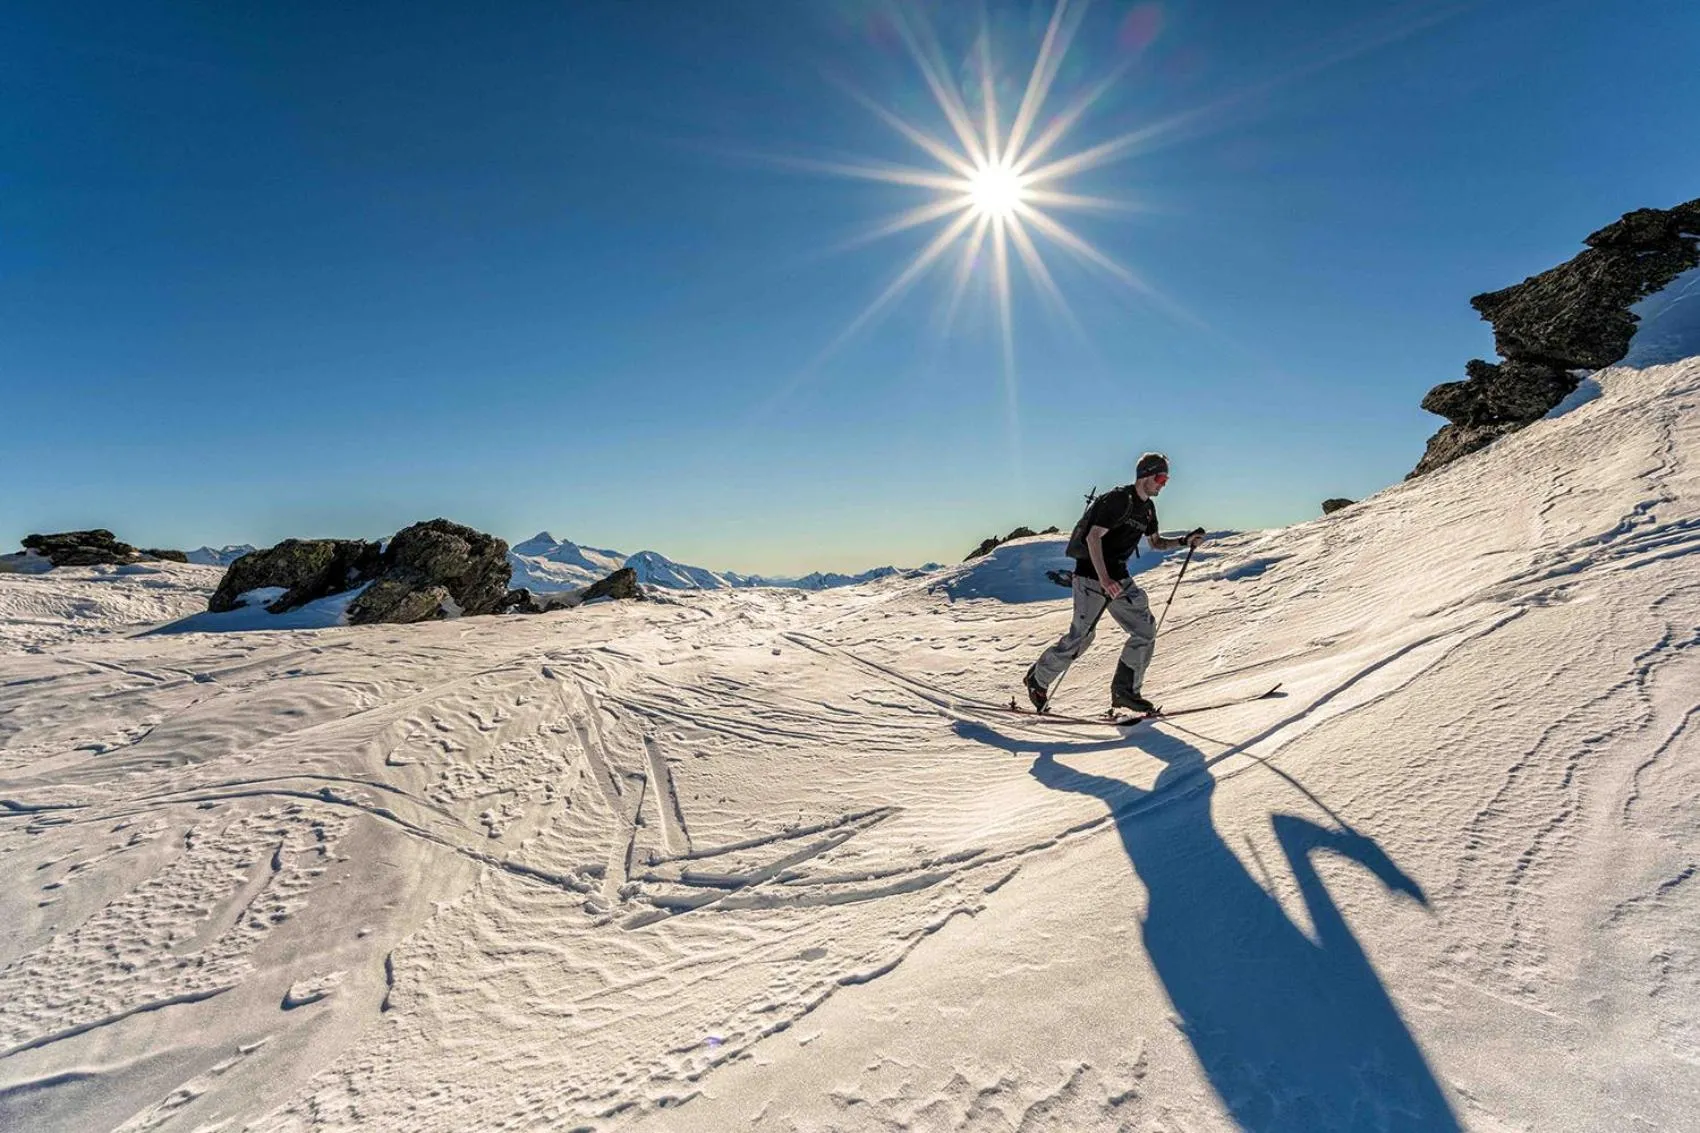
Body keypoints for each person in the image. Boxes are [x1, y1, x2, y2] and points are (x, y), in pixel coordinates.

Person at [1024, 452, 1205, 716]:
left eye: (1166, 479)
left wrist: (1184, 541)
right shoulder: (1119, 499)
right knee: (1082, 637)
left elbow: (1155, 543)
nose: (1164, 484)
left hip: (1118, 578)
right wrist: (1104, 578)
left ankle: (1125, 691)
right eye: (1161, 478)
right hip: (1091, 576)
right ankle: (1038, 679)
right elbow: (1093, 537)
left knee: (1144, 629)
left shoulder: (1148, 509)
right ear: (1145, 475)